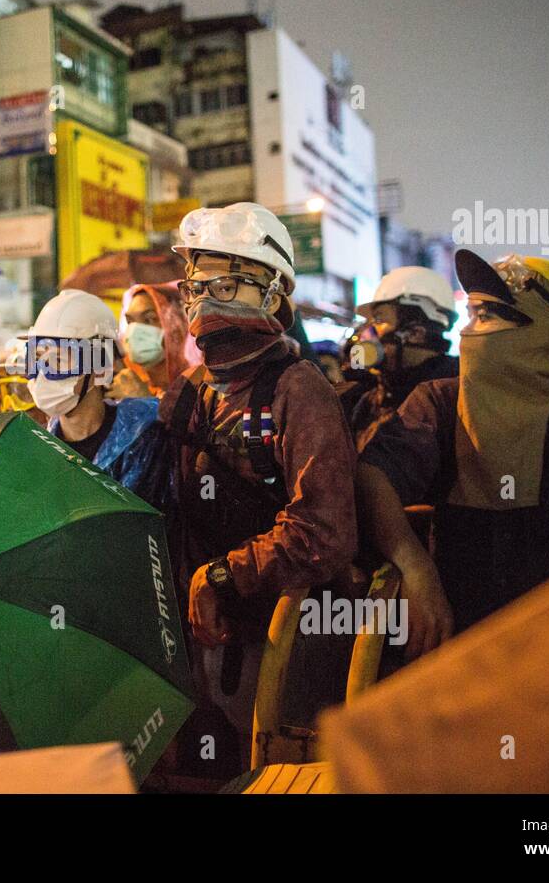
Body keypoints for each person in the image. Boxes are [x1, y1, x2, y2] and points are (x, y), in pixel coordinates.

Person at [356, 251, 549, 654]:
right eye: (470, 315)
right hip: (463, 655)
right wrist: (417, 570)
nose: (469, 332)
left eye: (488, 315)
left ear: (542, 329)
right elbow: (374, 474)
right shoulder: (439, 404)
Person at [161, 203, 358, 758]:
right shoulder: (190, 392)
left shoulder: (299, 390)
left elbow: (325, 532)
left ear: (273, 294)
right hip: (205, 642)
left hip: (289, 638)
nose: (205, 300)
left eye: (224, 283)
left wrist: (223, 576)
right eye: (197, 286)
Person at [26, 290, 171, 507]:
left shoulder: (146, 435)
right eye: (37, 359)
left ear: (102, 367)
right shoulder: (38, 448)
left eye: (59, 358)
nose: (44, 372)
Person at [338, 266, 459, 451]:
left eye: (379, 320)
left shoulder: (455, 397)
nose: (367, 333)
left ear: (416, 333)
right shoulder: (368, 401)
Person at [108, 283, 200, 400]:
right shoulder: (125, 381)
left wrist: (144, 400)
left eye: (149, 319)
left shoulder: (201, 387)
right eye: (130, 321)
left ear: (178, 324)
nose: (135, 330)